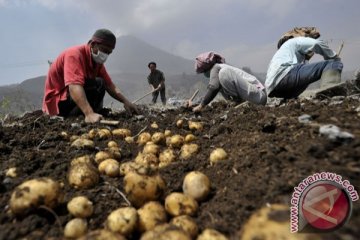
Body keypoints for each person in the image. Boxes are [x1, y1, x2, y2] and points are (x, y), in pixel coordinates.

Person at [42, 29, 139, 123]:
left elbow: (109, 85)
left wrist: (126, 101)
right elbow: (74, 86)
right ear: (93, 44)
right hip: (58, 101)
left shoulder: (97, 63)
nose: (105, 55)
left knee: (101, 83)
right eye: (104, 50)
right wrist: (89, 113)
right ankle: (84, 114)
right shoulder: (74, 54)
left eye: (108, 53)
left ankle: (89, 113)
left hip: (70, 99)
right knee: (96, 83)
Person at [265, 36, 343, 99]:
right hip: (286, 76)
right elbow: (316, 43)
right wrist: (333, 56)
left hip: (272, 90)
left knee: (304, 80)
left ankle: (289, 100)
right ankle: (330, 92)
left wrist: (306, 59)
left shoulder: (280, 56)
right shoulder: (292, 41)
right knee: (334, 63)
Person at [189, 52, 267, 112]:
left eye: (203, 71)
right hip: (255, 97)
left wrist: (201, 106)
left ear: (207, 68)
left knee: (224, 73)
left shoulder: (216, 68)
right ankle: (238, 103)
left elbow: (213, 87)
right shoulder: (217, 74)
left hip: (259, 95)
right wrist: (196, 104)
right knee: (221, 76)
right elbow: (212, 90)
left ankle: (237, 102)